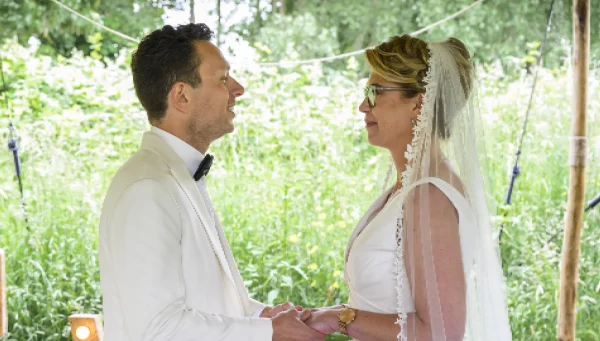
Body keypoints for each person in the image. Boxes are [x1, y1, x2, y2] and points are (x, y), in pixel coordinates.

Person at [98, 23, 325, 341]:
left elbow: (204, 299)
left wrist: (262, 315)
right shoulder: (147, 189)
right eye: (222, 79)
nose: (238, 88)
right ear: (181, 96)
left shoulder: (178, 174)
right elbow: (156, 329)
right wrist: (269, 332)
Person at [306, 34, 512, 341]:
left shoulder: (430, 195)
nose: (363, 106)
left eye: (374, 92)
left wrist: (341, 318)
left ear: (418, 103)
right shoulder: (409, 188)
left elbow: (441, 333)